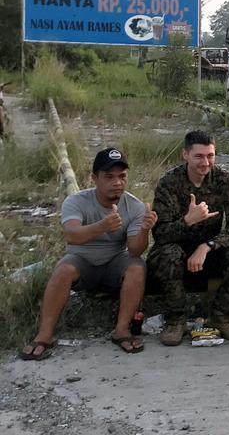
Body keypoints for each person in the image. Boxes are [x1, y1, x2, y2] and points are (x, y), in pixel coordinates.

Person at [20, 148, 157, 359]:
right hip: (82, 261)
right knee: (63, 269)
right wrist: (101, 226)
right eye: (109, 177)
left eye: (122, 176)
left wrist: (145, 229)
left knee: (138, 266)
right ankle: (44, 335)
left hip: (115, 263)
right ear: (94, 178)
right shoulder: (76, 201)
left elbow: (135, 249)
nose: (117, 182)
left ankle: (122, 330)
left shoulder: (135, 206)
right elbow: (71, 235)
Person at [148, 130, 229, 346]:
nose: (206, 162)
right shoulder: (169, 183)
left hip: (208, 252)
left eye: (210, 156)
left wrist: (207, 246)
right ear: (185, 155)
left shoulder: (226, 181)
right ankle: (176, 319)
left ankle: (222, 316)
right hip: (177, 249)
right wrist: (187, 221)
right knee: (168, 254)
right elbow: (160, 234)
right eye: (199, 156)